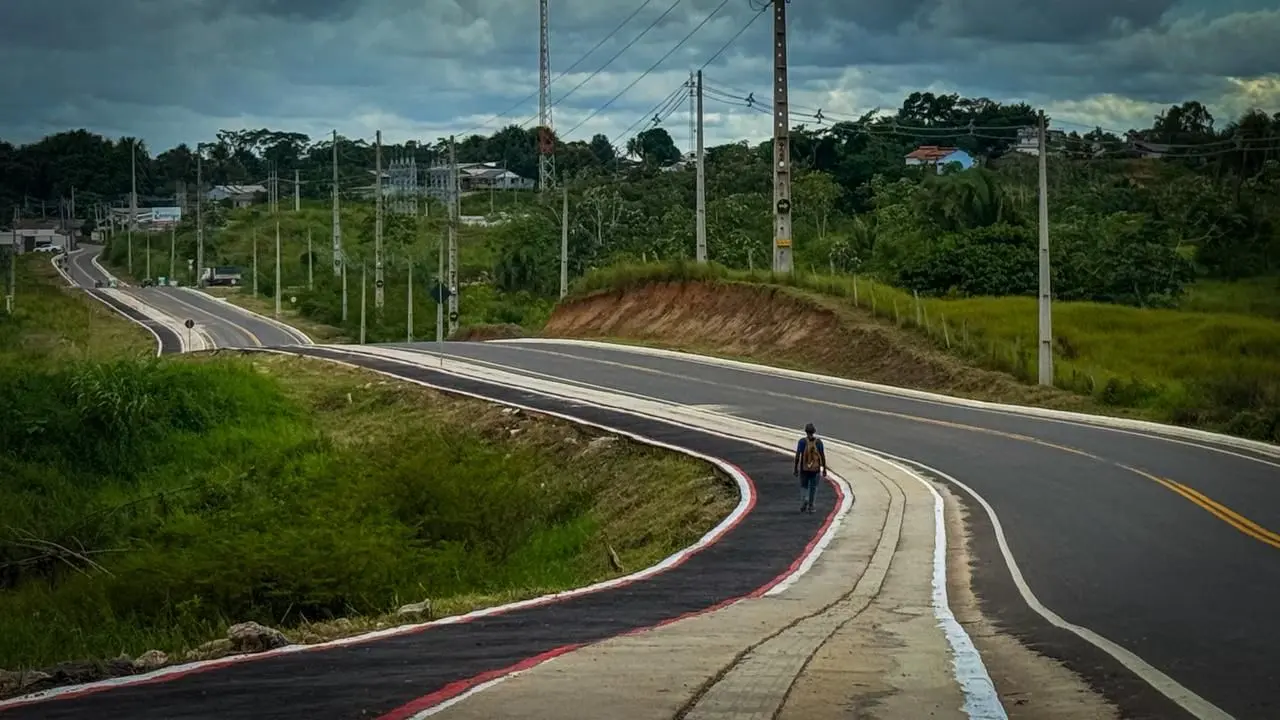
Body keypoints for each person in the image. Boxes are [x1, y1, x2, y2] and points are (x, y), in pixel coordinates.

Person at [794, 423, 826, 513]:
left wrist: (795, 468)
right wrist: (824, 468)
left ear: (806, 431)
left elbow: (798, 455)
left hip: (804, 468)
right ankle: (811, 506)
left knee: (804, 486)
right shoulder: (818, 442)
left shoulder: (802, 442)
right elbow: (822, 456)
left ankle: (804, 500)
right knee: (813, 487)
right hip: (815, 469)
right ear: (814, 432)